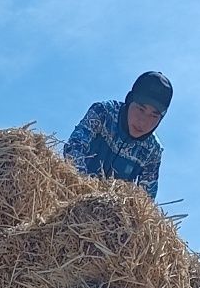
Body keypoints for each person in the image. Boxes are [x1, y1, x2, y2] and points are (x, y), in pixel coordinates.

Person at [62, 71, 173, 200]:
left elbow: (146, 200)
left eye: (154, 116)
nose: (143, 121)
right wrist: (84, 189)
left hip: (109, 212)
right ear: (129, 100)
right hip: (71, 193)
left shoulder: (152, 151)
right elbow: (74, 147)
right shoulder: (103, 114)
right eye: (140, 109)